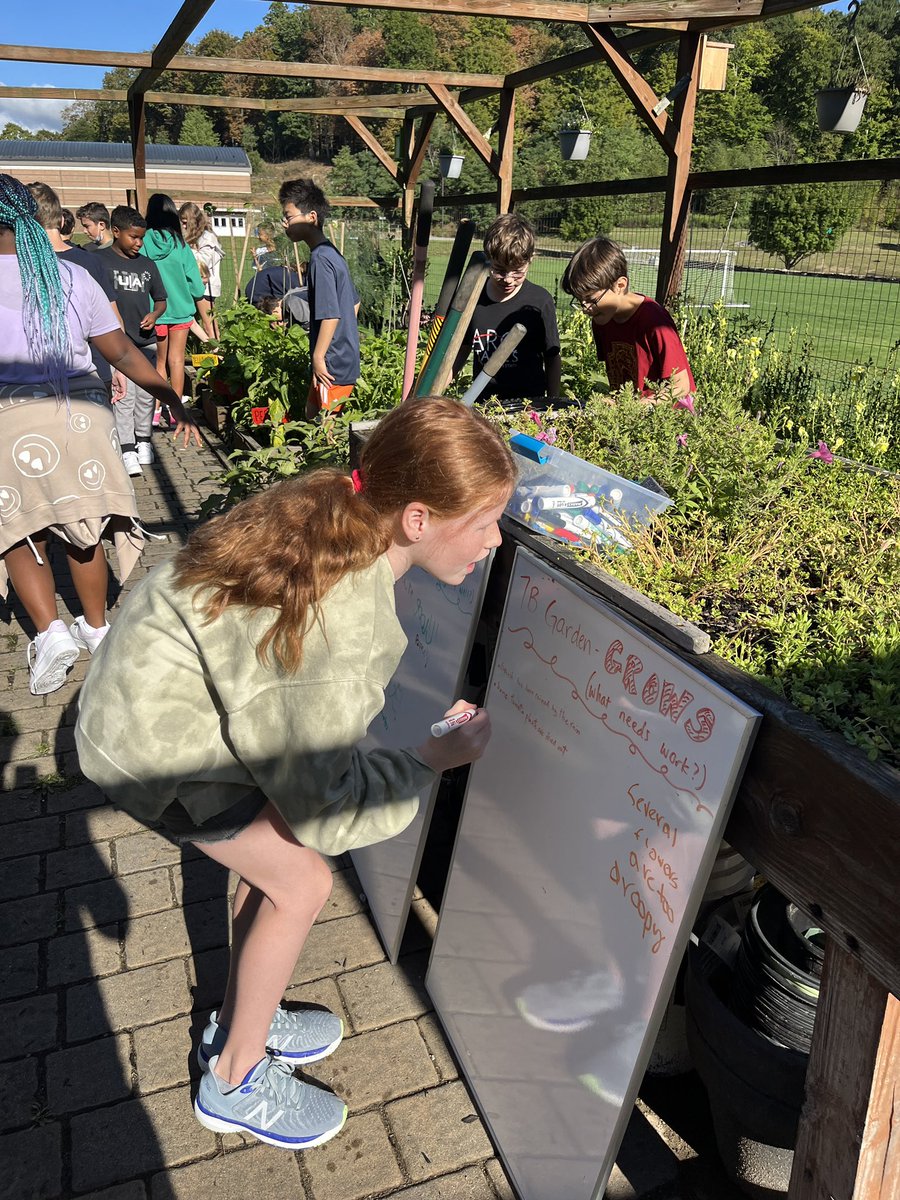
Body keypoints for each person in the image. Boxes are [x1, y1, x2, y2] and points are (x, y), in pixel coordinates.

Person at [75, 396, 515, 1149]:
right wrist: (427, 763)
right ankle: (234, 1076)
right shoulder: (343, 622)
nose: (496, 541)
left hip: (155, 701)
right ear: (416, 518)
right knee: (302, 878)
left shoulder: (333, 500)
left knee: (276, 858)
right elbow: (324, 811)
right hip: (156, 748)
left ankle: (251, 1001)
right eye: (481, 521)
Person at [0, 174, 199, 696]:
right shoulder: (69, 276)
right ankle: (97, 625)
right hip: (83, 417)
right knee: (84, 527)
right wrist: (171, 396)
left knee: (25, 532)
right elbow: (122, 353)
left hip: (11, 416)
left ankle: (51, 633)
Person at [562, 236, 695, 401]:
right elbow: (619, 381)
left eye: (591, 300)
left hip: (666, 421)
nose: (585, 309)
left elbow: (681, 386)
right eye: (579, 300)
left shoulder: (654, 321)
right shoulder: (601, 319)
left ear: (620, 286)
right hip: (628, 419)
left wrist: (635, 408)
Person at [27, 181, 120, 396]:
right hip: (94, 369)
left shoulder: (23, 264)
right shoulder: (90, 261)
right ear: (61, 221)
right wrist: (118, 368)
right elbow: (114, 320)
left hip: (37, 376)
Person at [456, 214, 561, 401]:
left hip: (529, 405)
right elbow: (461, 349)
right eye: (500, 270)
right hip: (483, 403)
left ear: (530, 260)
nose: (509, 279)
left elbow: (552, 357)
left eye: (518, 271)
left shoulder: (539, 301)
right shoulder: (474, 297)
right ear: (488, 258)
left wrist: (553, 402)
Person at [279, 179, 360, 419]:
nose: (285, 224)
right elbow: (354, 304)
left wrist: (319, 356)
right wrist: (345, 338)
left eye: (289, 216)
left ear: (311, 217)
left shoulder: (320, 260)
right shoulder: (331, 253)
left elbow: (331, 314)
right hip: (338, 355)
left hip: (331, 363)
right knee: (311, 414)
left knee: (325, 427)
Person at [99, 206, 168, 475]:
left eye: (142, 238)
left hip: (145, 340)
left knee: (145, 394)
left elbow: (161, 300)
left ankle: (143, 440)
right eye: (134, 237)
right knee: (123, 396)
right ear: (115, 232)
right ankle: (127, 448)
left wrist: (154, 314)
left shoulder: (147, 265)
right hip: (117, 342)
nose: (139, 243)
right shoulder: (100, 261)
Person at [141, 192, 211, 411]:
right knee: (177, 360)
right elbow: (196, 285)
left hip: (155, 312)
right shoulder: (180, 245)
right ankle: (176, 410)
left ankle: (156, 409)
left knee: (159, 362)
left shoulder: (142, 242)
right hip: (180, 311)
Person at [180, 201, 224, 335]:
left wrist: (187, 251)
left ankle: (216, 352)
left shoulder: (207, 237)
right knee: (207, 323)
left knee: (209, 324)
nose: (183, 225)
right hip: (197, 283)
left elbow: (203, 262)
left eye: (185, 221)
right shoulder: (195, 238)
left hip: (206, 286)